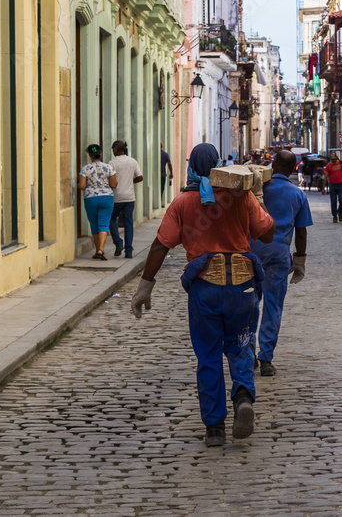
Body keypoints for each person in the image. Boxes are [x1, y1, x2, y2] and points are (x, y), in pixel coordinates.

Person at [131, 143, 275, 447]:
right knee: (241, 346)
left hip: (205, 288)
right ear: (219, 165)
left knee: (208, 355)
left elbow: (160, 245)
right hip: (242, 287)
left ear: (191, 168)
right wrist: (258, 196)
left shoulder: (182, 202)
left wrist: (146, 285)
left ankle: (214, 428)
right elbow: (268, 234)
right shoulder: (241, 196)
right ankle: (244, 397)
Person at [249, 151, 313, 377]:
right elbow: (301, 231)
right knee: (273, 307)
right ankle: (266, 358)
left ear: (272, 165)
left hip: (251, 255)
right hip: (278, 258)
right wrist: (300, 260)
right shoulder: (297, 195)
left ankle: (248, 355)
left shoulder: (256, 190)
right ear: (294, 169)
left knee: (249, 305)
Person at [78, 144, 117, 260]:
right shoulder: (109, 168)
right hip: (106, 197)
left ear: (90, 157)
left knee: (94, 224)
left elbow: (82, 185)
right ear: (100, 155)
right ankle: (101, 250)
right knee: (104, 224)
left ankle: (97, 251)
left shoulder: (85, 169)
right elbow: (114, 184)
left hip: (91, 198)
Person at [108, 141, 143, 259]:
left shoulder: (112, 163)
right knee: (128, 223)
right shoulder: (132, 161)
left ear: (116, 149)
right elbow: (140, 177)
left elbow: (109, 179)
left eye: (113, 149)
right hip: (129, 198)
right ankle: (129, 251)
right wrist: (130, 182)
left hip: (116, 197)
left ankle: (118, 242)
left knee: (111, 219)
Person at [325, 153, 342, 223]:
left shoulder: (341, 163)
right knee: (333, 202)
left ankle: (340, 212)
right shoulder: (328, 166)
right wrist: (323, 188)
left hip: (341, 184)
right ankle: (334, 216)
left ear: (336, 158)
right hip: (332, 185)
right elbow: (325, 177)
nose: (333, 161)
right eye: (332, 160)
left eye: (334, 159)